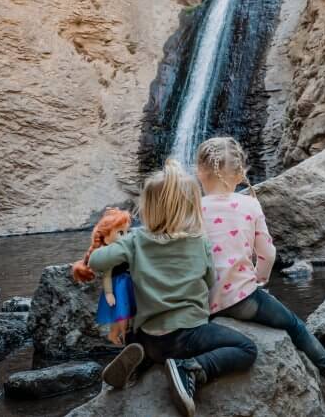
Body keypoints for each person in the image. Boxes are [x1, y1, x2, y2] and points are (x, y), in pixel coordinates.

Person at [196, 137, 325, 414]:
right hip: (244, 299)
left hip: (203, 305)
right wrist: (259, 279)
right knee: (295, 326)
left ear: (199, 172)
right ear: (240, 174)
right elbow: (268, 254)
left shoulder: (193, 208)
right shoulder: (249, 205)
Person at [91, 160, 257, 417]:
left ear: (148, 208)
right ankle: (191, 369)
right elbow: (209, 280)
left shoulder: (135, 239)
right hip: (187, 338)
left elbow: (96, 262)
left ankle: (140, 357)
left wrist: (125, 255)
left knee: (145, 335)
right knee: (247, 349)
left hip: (148, 334)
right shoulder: (199, 241)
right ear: (192, 207)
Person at [72, 207, 135, 345]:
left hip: (128, 284)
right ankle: (124, 338)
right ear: (106, 238)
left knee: (125, 314)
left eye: (127, 232)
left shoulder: (122, 250)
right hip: (119, 286)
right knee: (122, 315)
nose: (125, 236)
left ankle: (119, 336)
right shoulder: (109, 255)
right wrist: (109, 293)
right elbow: (107, 276)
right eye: (120, 233)